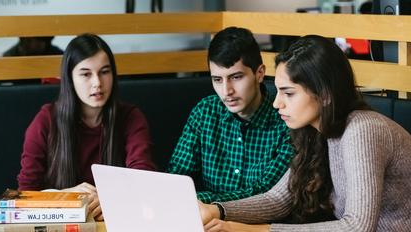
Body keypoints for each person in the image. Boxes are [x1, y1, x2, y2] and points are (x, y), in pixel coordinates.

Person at [199, 35, 411, 231]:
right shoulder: (315, 131)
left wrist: (257, 230)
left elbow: (357, 227)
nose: (276, 103)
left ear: (325, 94)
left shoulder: (362, 129)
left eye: (288, 93)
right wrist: (217, 210)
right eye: (278, 91)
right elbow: (279, 199)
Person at [17, 33, 156, 220]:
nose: (97, 83)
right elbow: (25, 194)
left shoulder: (131, 117)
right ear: (70, 79)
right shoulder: (46, 121)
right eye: (86, 74)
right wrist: (67, 197)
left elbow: (143, 178)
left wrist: (108, 198)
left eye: (104, 72)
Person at [167, 27, 294, 203]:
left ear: (259, 73)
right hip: (205, 222)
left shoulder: (286, 121)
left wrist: (201, 202)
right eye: (217, 80)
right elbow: (177, 179)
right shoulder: (205, 112)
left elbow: (265, 195)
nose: (227, 91)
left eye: (236, 77)